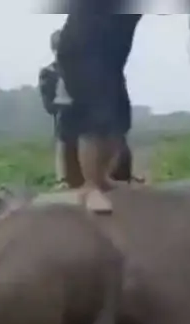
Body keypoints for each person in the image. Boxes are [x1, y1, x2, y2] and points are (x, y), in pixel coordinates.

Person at [56, 8, 142, 214]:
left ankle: (102, 178)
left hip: (109, 58)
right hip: (83, 53)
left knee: (119, 118)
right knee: (96, 117)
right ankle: (90, 187)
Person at [38, 28, 75, 187]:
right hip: (63, 117)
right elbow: (48, 105)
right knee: (62, 142)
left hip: (83, 117)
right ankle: (62, 178)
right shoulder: (48, 73)